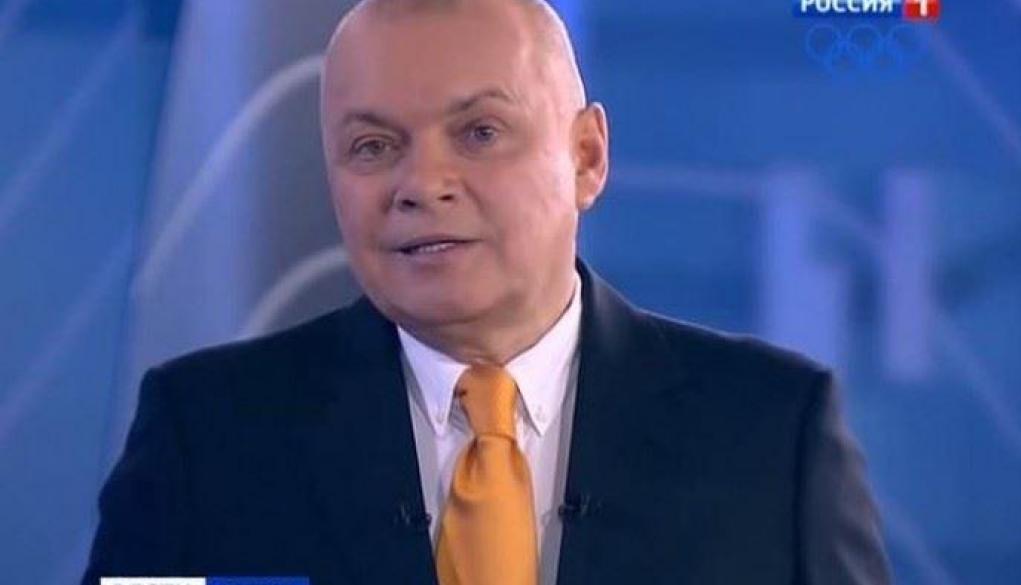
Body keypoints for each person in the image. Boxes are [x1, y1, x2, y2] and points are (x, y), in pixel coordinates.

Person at [82, 0, 892, 583]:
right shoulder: (206, 435)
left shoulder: (773, 431)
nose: (421, 183)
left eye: (479, 133)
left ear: (587, 157)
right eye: (373, 146)